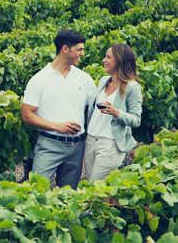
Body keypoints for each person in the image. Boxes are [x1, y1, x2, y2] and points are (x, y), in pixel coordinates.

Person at [21, 30, 96, 189]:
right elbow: (27, 115)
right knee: (38, 191)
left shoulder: (84, 78)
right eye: (79, 49)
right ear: (65, 49)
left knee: (68, 195)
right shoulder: (39, 80)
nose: (82, 53)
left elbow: (94, 108)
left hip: (77, 146)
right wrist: (57, 126)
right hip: (49, 143)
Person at [83, 44, 142, 182]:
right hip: (91, 141)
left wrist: (117, 113)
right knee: (96, 189)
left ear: (120, 61)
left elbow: (136, 120)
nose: (104, 60)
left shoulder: (132, 87)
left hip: (110, 144)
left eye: (108, 57)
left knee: (94, 186)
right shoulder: (104, 81)